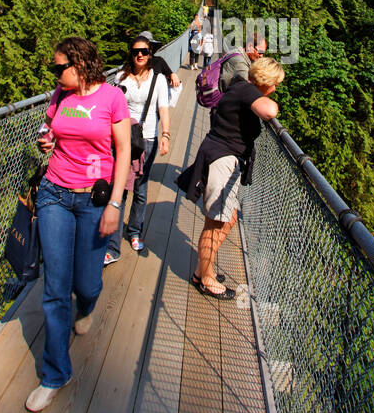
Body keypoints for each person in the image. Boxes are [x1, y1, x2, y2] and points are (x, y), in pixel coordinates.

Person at [26, 37, 130, 412]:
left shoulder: (112, 98)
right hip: (54, 193)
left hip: (93, 199)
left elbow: (124, 152)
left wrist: (115, 204)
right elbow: (51, 129)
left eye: (59, 67)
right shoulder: (59, 96)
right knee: (55, 286)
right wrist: (47, 140)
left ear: (81, 64)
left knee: (86, 283)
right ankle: (55, 373)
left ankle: (87, 305)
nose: (55, 74)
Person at [175, 57, 284, 298]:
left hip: (218, 155)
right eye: (274, 84)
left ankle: (203, 270)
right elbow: (269, 110)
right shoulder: (247, 92)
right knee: (216, 223)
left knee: (227, 218)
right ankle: (205, 279)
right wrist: (268, 101)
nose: (276, 89)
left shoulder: (238, 84)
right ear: (264, 82)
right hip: (222, 162)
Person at [104, 33, 173, 265]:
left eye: (144, 51)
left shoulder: (159, 79)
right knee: (120, 187)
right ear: (130, 54)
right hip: (122, 138)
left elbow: (163, 108)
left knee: (141, 188)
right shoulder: (121, 77)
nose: (140, 55)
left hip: (148, 139)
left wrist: (166, 134)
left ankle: (134, 231)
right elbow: (112, 106)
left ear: (150, 52)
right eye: (136, 51)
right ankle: (113, 246)